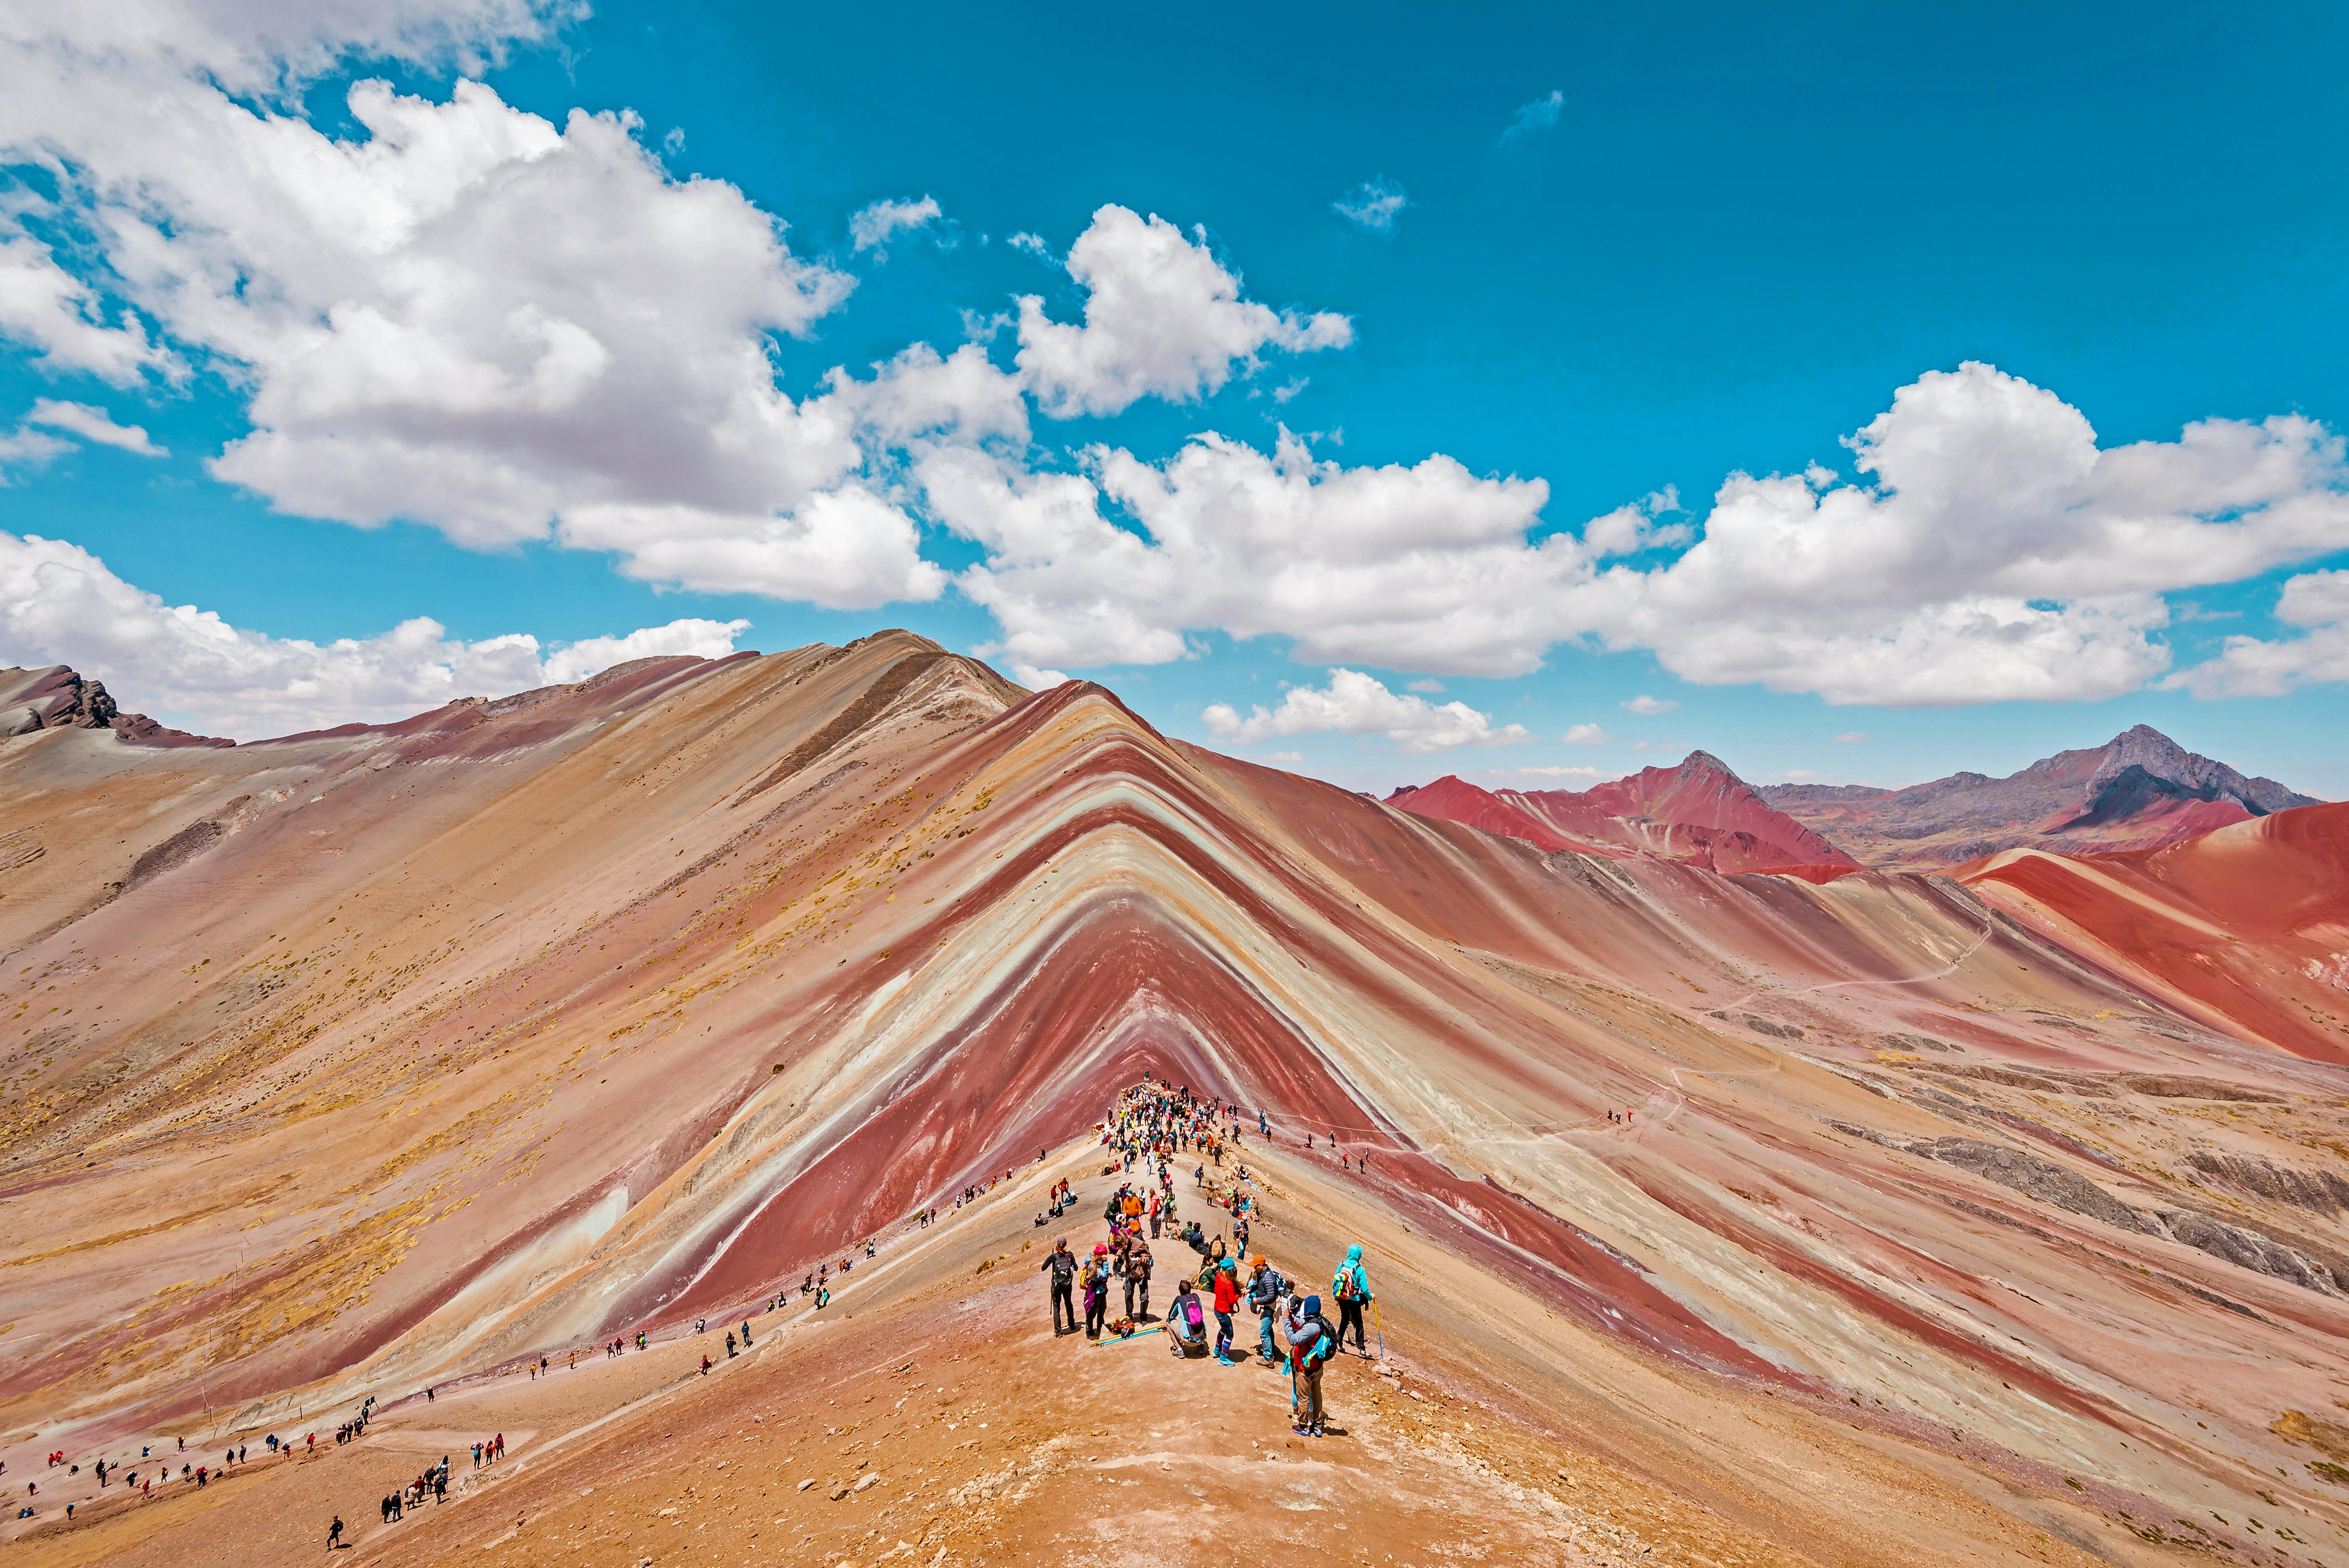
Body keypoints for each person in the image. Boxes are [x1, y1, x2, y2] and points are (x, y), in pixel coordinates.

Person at [1288, 1294, 1336, 1436]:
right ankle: (1317, 1426)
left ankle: (1303, 1426)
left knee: (1303, 1396)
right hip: (1318, 1367)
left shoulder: (1312, 1327)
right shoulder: (1321, 1322)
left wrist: (1286, 1321)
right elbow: (1301, 1324)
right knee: (1316, 1395)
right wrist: (1291, 1319)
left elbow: (1294, 1339)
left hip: (1306, 1369)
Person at [1332, 1244, 1373, 1355]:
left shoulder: (1342, 1264)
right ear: (1359, 1255)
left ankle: (1338, 1342)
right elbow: (1364, 1289)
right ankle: (1362, 1349)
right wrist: (1371, 1297)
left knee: (1344, 1319)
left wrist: (1336, 1296)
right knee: (1359, 1324)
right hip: (1354, 1300)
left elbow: (1335, 1280)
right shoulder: (1360, 1269)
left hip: (1342, 1298)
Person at [1246, 1254, 1288, 1364]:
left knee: (1264, 1333)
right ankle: (1270, 1349)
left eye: (1256, 1266)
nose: (1255, 1268)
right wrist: (1250, 1290)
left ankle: (1268, 1359)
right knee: (1269, 1329)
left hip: (1271, 1307)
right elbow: (1259, 1286)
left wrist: (1257, 1301)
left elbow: (1271, 1297)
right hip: (1268, 1306)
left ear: (1262, 1265)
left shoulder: (1268, 1278)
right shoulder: (1263, 1274)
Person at [1041, 1236, 1078, 1335]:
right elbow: (1076, 1268)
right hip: (1067, 1285)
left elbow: (1043, 1268)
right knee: (1068, 1303)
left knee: (1056, 1307)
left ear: (1057, 1245)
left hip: (1056, 1286)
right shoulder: (1070, 1255)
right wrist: (1071, 1265)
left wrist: (1052, 1260)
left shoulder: (1053, 1257)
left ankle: (1058, 1332)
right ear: (1066, 1245)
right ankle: (1072, 1325)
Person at [1210, 1257, 1242, 1364]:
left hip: (1217, 1310)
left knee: (1224, 1330)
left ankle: (1217, 1350)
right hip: (1224, 1313)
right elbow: (1232, 1300)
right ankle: (1223, 1358)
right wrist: (1238, 1295)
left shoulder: (1219, 1276)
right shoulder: (1229, 1283)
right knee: (1230, 1334)